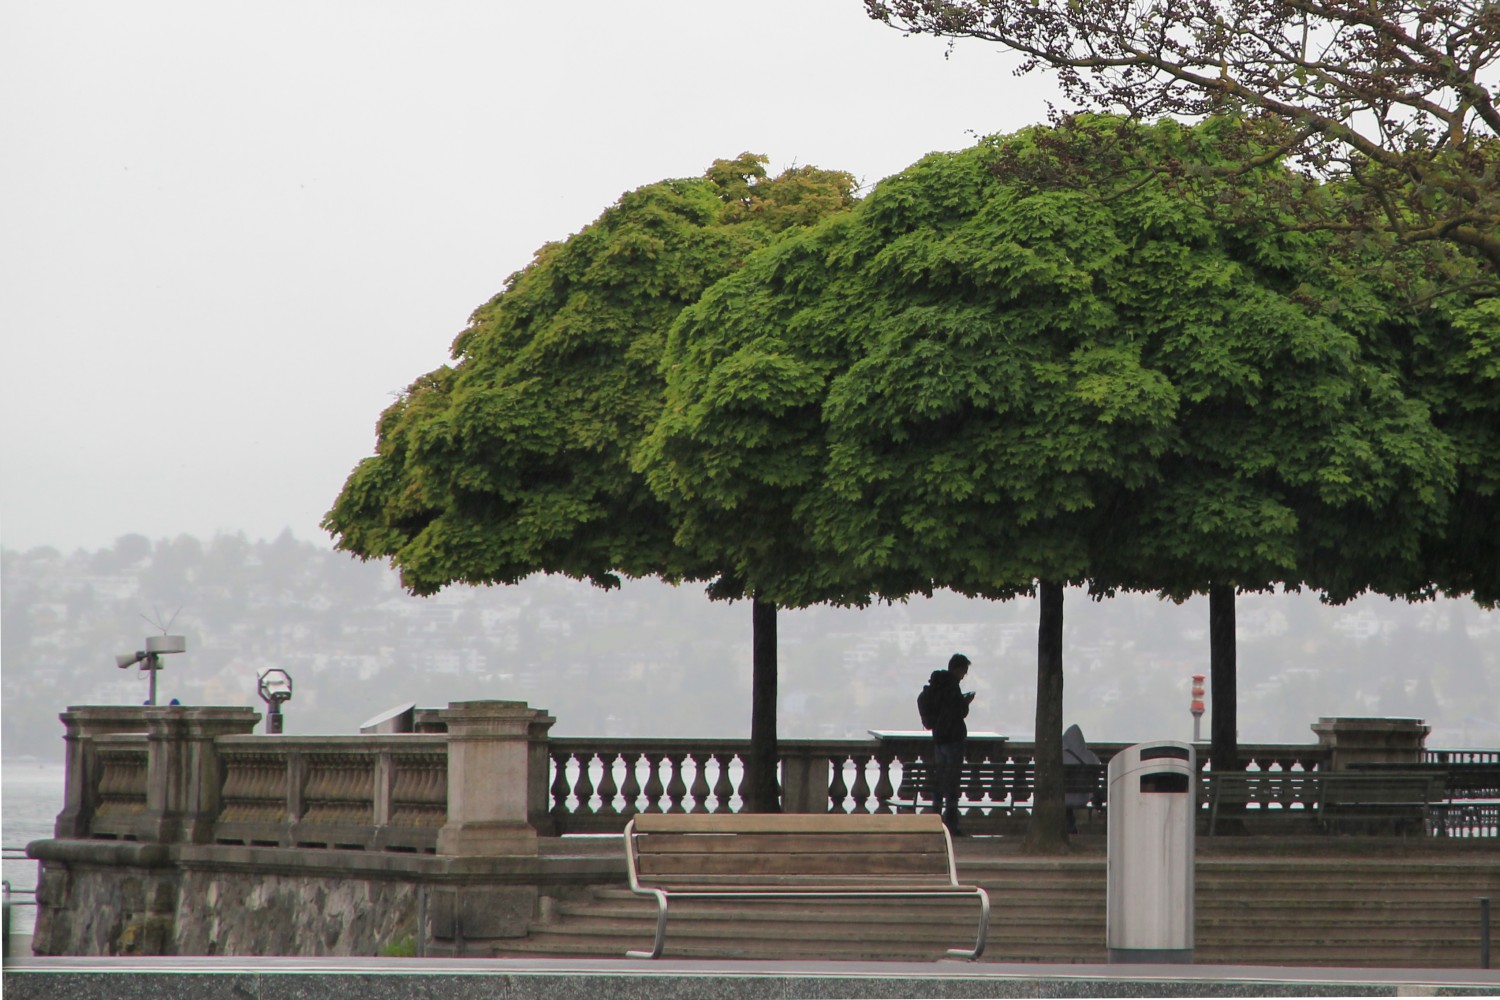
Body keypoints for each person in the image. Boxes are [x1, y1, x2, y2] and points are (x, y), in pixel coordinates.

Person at [919, 653, 974, 835]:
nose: (964, 675)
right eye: (964, 671)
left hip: (939, 739)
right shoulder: (952, 687)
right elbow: (958, 712)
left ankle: (935, 820)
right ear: (957, 668)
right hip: (953, 740)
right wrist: (966, 703)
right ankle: (951, 825)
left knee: (940, 782)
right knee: (952, 784)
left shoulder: (937, 685)